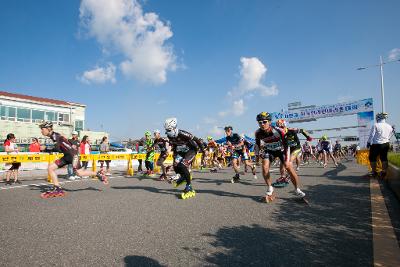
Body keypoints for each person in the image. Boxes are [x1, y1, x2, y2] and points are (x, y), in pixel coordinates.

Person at [39, 121, 108, 198]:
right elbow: (62, 147)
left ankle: (98, 174)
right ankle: (57, 188)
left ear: (48, 128)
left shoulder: (55, 136)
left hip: (72, 156)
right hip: (67, 156)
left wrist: (46, 149)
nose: (41, 131)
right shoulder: (54, 136)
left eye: (42, 129)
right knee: (50, 168)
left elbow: (57, 149)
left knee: (79, 173)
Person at [254, 112, 306, 202]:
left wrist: (286, 160)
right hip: (269, 150)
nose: (262, 124)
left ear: (269, 122)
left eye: (264, 122)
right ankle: (270, 188)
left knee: (289, 167)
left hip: (281, 150)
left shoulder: (278, 131)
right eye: (260, 122)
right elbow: (258, 145)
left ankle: (297, 189)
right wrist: (257, 158)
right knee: (264, 167)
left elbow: (286, 145)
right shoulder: (258, 133)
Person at [164, 118, 205, 199]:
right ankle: (183, 177)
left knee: (183, 165)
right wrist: (175, 157)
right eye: (166, 130)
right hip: (181, 151)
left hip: (191, 150)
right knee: (175, 165)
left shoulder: (183, 133)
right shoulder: (169, 135)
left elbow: (197, 140)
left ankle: (189, 186)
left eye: (169, 130)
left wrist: (203, 151)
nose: (167, 132)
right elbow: (174, 146)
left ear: (174, 128)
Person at [273, 119, 312, 187]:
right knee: (282, 162)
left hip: (296, 148)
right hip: (288, 148)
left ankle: (288, 177)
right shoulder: (278, 133)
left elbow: (302, 130)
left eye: (281, 127)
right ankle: (283, 177)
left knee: (289, 162)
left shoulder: (291, 130)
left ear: (284, 125)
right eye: (279, 128)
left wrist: (308, 137)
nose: (280, 129)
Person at [367, 112, 395, 178]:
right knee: (384, 158)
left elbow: (372, 135)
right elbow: (390, 135)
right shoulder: (389, 126)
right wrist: (386, 139)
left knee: (372, 158)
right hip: (385, 144)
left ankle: (374, 172)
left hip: (376, 144)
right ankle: (384, 172)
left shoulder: (375, 125)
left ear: (378, 118)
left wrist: (368, 142)